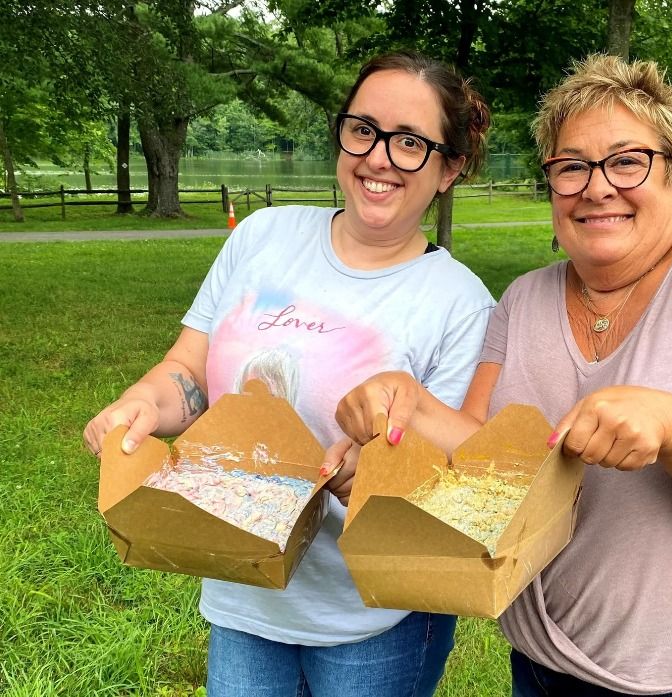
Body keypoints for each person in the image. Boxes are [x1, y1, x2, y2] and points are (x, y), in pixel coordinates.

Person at [331, 54, 672, 696]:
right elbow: (483, 461)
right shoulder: (525, 299)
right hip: (543, 667)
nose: (596, 188)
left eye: (627, 161)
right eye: (571, 168)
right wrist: (409, 405)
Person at [83, 51, 494, 697]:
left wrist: (383, 469)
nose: (379, 157)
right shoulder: (262, 236)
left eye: (411, 142)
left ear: (450, 167)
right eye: (364, 129)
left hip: (369, 615)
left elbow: (463, 474)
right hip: (242, 584)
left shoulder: (460, 301)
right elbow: (188, 368)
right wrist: (143, 402)